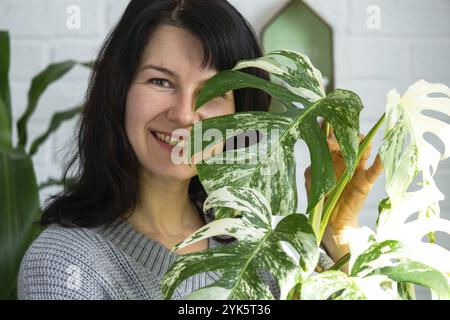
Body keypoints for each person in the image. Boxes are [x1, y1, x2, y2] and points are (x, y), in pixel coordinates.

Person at [18, 0, 383, 300]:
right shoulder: (66, 263)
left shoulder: (262, 249)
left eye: (213, 92)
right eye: (160, 81)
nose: (184, 115)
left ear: (239, 114)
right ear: (119, 92)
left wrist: (338, 233)